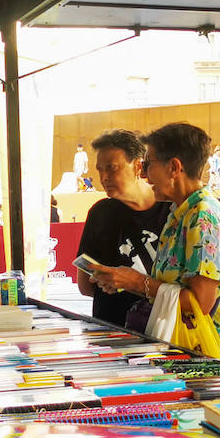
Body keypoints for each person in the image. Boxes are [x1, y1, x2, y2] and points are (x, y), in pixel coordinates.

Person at [91, 123, 220, 364]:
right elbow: (170, 286)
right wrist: (125, 281)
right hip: (182, 349)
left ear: (174, 168)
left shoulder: (202, 217)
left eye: (149, 164)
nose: (144, 174)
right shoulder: (180, 212)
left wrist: (137, 282)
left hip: (204, 357)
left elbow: (200, 303)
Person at [75, 130, 172, 329]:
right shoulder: (99, 213)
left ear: (137, 166)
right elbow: (85, 286)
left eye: (111, 168)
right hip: (111, 333)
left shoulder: (174, 212)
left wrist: (130, 284)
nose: (103, 177)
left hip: (163, 332)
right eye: (100, 170)